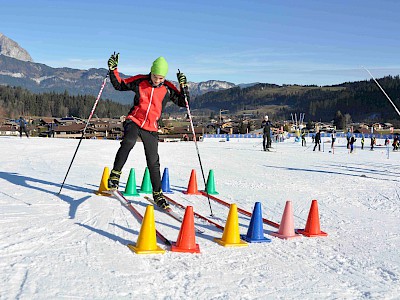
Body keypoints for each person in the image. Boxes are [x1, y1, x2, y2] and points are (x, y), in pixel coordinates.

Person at [106, 53, 189, 209]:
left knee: (153, 160)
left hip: (151, 126)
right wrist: (113, 69)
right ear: (151, 72)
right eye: (155, 76)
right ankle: (115, 175)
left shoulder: (167, 88)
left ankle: (157, 193)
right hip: (135, 120)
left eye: (161, 78)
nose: (157, 80)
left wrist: (184, 86)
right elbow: (119, 85)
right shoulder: (140, 81)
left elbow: (184, 103)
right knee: (128, 142)